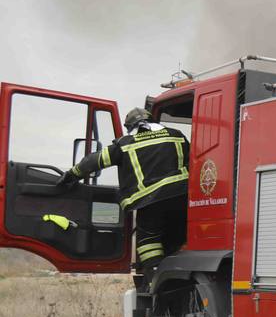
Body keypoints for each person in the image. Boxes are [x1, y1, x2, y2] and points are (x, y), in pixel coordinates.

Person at [62, 106, 189, 275]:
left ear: (130, 126)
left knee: (148, 240)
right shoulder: (176, 134)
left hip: (151, 200)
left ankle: (155, 276)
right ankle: (178, 268)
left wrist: (71, 175)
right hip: (183, 197)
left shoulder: (124, 144)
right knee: (177, 233)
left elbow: (93, 162)